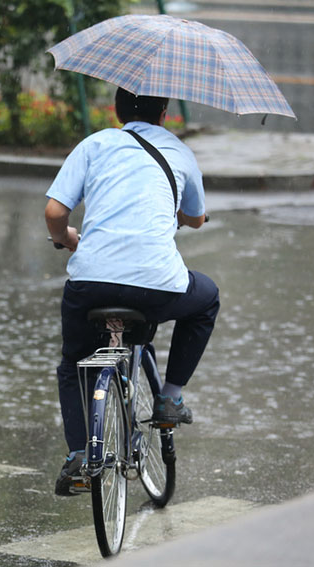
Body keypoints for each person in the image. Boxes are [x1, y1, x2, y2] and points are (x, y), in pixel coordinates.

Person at [46, 88, 220, 496]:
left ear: (116, 110)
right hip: (156, 288)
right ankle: (170, 398)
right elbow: (194, 218)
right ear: (164, 113)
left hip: (90, 282)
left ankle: (78, 454)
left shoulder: (96, 143)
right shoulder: (180, 152)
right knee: (206, 296)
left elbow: (55, 212)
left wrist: (68, 239)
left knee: (73, 364)